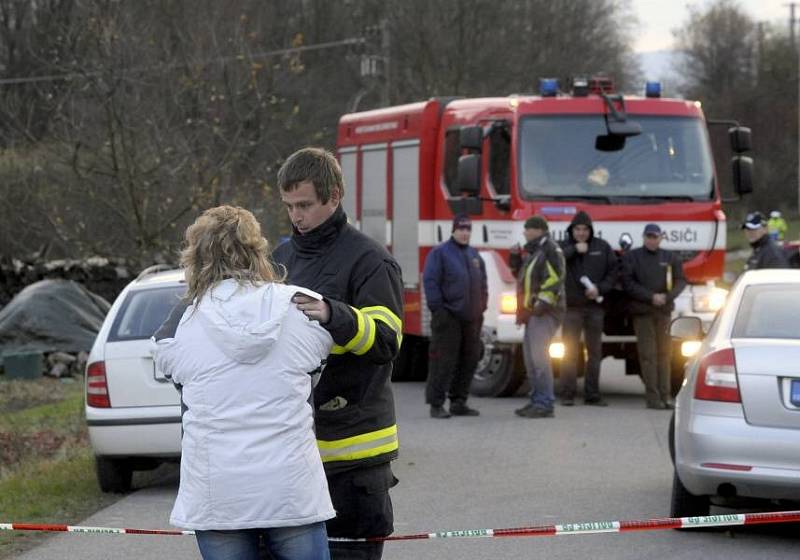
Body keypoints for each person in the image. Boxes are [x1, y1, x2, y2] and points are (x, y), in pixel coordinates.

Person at [152, 206, 334, 560]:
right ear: (258, 251)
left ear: (196, 257)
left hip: (218, 495)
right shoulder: (299, 306)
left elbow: (169, 365)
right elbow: (319, 361)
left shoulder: (184, 322)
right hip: (292, 489)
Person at [271, 147, 403, 560]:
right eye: (289, 206)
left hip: (354, 456)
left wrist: (334, 315)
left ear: (335, 195)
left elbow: (386, 339)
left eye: (306, 205)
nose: (297, 216)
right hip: (291, 453)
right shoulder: (279, 260)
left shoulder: (370, 259)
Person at [423, 214, 488, 419]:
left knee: (469, 360)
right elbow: (431, 281)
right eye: (461, 229)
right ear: (453, 230)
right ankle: (436, 404)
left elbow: (483, 284)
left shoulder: (474, 256)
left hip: (472, 319)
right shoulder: (440, 253)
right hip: (448, 317)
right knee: (443, 362)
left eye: (468, 229)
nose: (465, 233)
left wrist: (481, 307)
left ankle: (459, 401)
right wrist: (439, 310)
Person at [621, 223, 686, 410]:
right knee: (648, 355)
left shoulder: (670, 257)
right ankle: (653, 397)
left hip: (664, 312)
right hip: (643, 313)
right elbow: (628, 282)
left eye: (655, 236)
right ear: (644, 237)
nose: (652, 240)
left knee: (665, 355)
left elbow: (680, 280)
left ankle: (666, 396)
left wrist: (667, 296)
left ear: (661, 238)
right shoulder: (633, 257)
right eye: (649, 236)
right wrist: (650, 297)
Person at [559, 211, 618, 407]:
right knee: (569, 352)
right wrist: (575, 250)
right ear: (572, 230)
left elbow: (614, 272)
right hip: (572, 309)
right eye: (577, 229)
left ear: (590, 230)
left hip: (595, 308)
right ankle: (567, 394)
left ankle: (592, 394)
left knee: (595, 353)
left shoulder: (602, 247)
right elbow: (555, 262)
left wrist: (600, 289)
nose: (581, 233)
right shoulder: (563, 247)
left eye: (585, 229)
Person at [514, 215, 566, 419]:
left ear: (539, 230)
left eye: (528, 229)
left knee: (539, 358)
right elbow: (526, 280)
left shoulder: (550, 249)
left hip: (545, 312)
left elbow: (555, 280)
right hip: (533, 312)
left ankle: (545, 403)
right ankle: (536, 400)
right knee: (531, 359)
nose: (525, 232)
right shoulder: (535, 250)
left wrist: (540, 304)